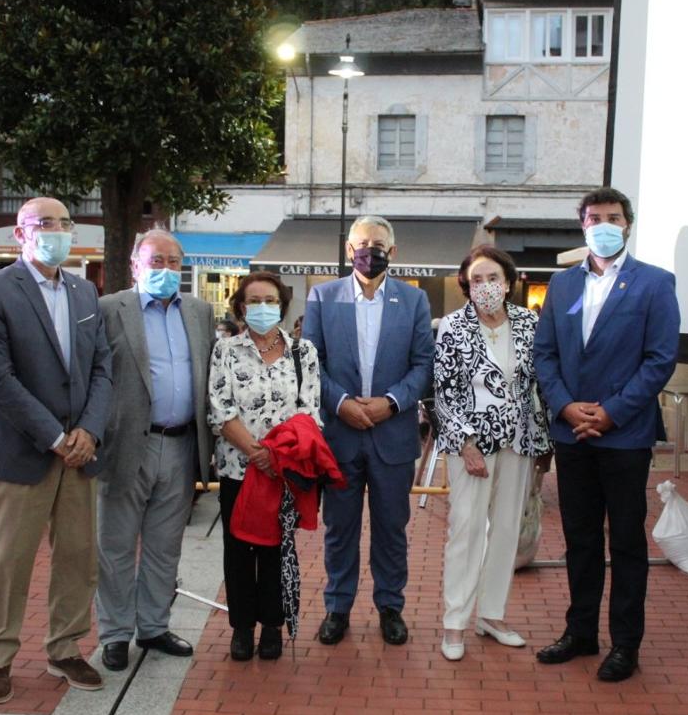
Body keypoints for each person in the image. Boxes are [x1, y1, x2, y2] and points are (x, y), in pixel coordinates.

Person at [532, 187, 680, 682]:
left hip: (625, 435)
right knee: (580, 539)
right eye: (594, 218)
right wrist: (565, 406)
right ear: (583, 225)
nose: (603, 225)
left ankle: (625, 644)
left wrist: (612, 412)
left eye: (613, 217)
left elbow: (660, 359)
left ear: (628, 225)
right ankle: (580, 633)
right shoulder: (562, 285)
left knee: (627, 543)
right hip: (572, 433)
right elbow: (545, 354)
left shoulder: (655, 283)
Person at [0, 197, 113, 705]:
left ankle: (65, 647)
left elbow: (102, 368)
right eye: (45, 223)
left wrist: (90, 430)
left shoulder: (84, 291)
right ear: (20, 233)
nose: (57, 231)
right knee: (11, 560)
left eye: (65, 222)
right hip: (23, 450)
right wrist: (54, 437)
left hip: (80, 452)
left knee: (77, 556)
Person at [302, 215, 434, 646]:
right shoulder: (323, 297)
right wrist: (340, 403)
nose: (369, 252)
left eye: (378, 245)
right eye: (361, 244)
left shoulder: (414, 301)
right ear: (348, 250)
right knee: (339, 529)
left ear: (392, 252)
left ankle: (390, 606)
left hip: (392, 435)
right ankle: (337, 608)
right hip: (339, 436)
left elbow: (423, 364)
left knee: (391, 528)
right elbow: (312, 362)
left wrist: (391, 402)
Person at [95, 229, 215, 670]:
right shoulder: (110, 309)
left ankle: (153, 626)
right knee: (116, 545)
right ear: (135, 265)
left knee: (165, 546)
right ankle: (115, 633)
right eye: (156, 261)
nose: (166, 269)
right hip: (128, 444)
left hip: (182, 444)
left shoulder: (199, 312)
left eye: (173, 261)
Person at [433, 246, 550, 661]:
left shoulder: (529, 323)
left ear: (508, 282)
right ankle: (455, 622)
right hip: (471, 445)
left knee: (505, 530)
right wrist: (466, 444)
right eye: (477, 280)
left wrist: (544, 444)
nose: (485, 286)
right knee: (466, 530)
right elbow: (443, 392)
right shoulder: (453, 326)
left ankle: (492, 615)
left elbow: (538, 385)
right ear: (466, 285)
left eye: (493, 278)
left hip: (520, 441)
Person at [208, 272, 322, 661]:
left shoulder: (303, 352)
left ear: (282, 305)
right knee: (238, 550)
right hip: (238, 469)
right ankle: (242, 628)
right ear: (241, 307)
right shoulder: (225, 350)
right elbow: (220, 409)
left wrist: (277, 457)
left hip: (283, 472)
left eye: (270, 300)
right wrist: (256, 453)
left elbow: (309, 412)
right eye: (254, 301)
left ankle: (272, 625)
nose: (262, 307)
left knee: (276, 549)